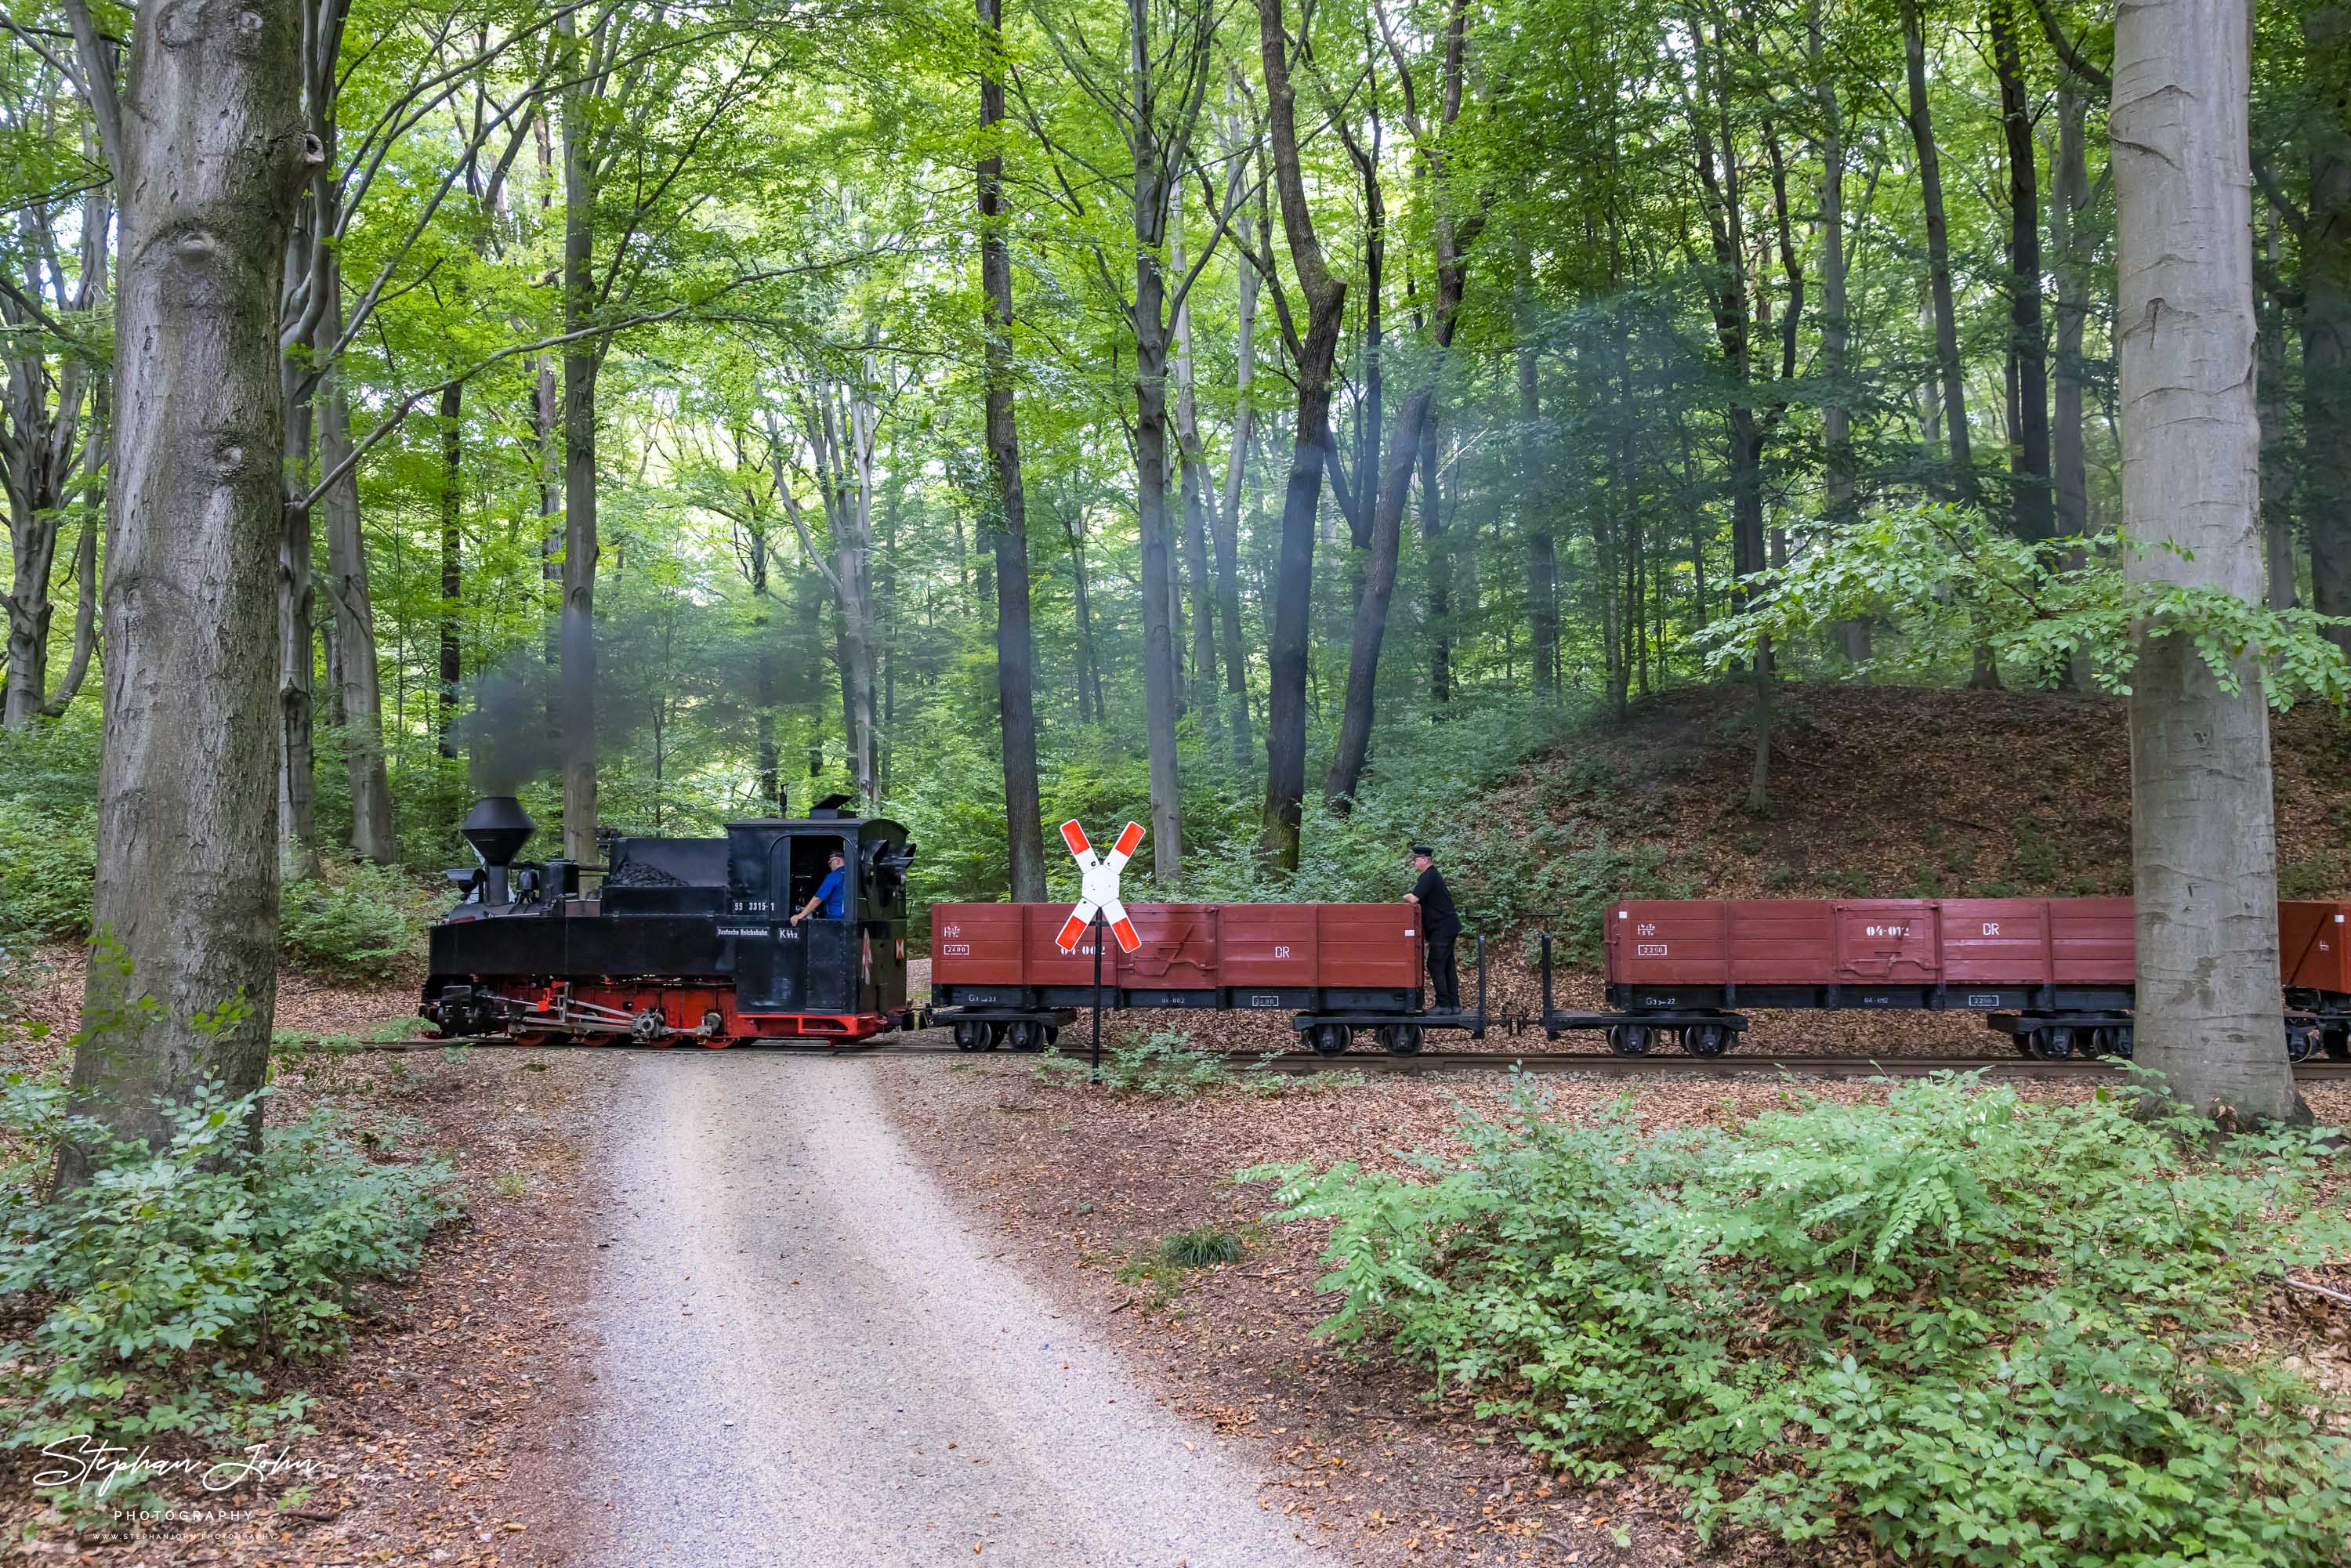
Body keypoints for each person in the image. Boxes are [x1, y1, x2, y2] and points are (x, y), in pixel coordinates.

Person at [1405, 845, 1462, 1012]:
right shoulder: (1432, 876)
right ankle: (1454, 1004)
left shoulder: (1429, 876)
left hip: (1442, 928)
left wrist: (1405, 896)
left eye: (1415, 859)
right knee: (1447, 965)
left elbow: (1414, 899)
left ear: (1424, 860)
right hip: (1447, 926)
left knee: (1435, 964)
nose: (1414, 863)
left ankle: (1443, 1004)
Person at [790, 848, 849, 926]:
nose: (829, 866)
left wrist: (801, 915)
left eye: (830, 862)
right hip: (847, 919)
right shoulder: (850, 874)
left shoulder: (834, 876)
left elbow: (818, 898)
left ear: (837, 860)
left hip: (835, 921)